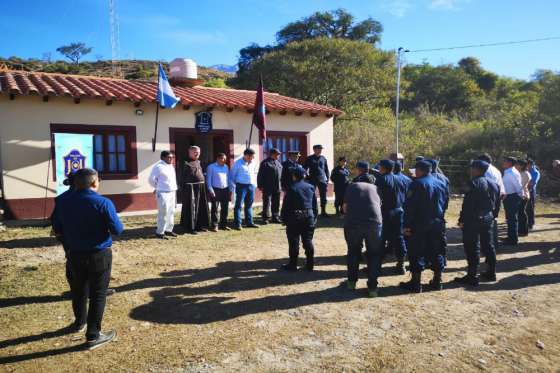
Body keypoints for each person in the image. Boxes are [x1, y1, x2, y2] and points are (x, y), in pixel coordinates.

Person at [52, 168, 123, 350]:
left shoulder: (62, 202)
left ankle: (79, 322)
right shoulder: (103, 202)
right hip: (98, 254)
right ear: (94, 183)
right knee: (98, 293)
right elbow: (117, 229)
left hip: (74, 253)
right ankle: (93, 335)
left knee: (78, 289)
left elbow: (57, 227)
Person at [399, 160, 447, 293]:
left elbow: (410, 207)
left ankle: (416, 283)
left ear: (420, 170)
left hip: (419, 223)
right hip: (437, 222)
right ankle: (437, 281)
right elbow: (445, 203)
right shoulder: (441, 183)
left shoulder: (416, 184)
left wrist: (406, 225)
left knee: (416, 251)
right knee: (437, 250)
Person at [455, 160, 501, 286]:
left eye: (472, 168)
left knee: (472, 247)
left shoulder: (474, 183)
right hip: (488, 217)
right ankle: (491, 273)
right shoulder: (494, 184)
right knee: (488, 246)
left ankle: (472, 275)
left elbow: (468, 205)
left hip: (473, 219)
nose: (471, 170)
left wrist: (462, 220)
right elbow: (497, 202)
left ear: (477, 169)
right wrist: (494, 215)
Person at [343, 167, 384, 297]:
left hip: (354, 223)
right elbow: (379, 205)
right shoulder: (376, 189)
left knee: (353, 252)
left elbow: (345, 208)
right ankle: (373, 288)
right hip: (374, 223)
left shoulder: (351, 186)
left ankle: (351, 283)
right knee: (374, 254)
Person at [375, 159, 411, 274]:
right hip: (399, 211)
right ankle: (401, 264)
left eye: (380, 166)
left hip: (385, 212)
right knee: (399, 238)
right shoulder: (402, 179)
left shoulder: (381, 179)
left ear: (384, 168)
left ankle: (377, 265)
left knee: (381, 238)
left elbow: (377, 197)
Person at [280, 166, 317, 271]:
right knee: (308, 241)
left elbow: (286, 206)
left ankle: (293, 264)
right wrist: (314, 217)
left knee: (294, 242)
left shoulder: (291, 188)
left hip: (295, 217)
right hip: (308, 215)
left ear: (294, 176)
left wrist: (284, 219)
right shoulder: (311, 187)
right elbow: (314, 205)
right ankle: (310, 264)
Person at [477, 153, 505, 250]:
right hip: (496, 197)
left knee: (486, 222)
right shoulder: (495, 170)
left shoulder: (486, 171)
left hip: (489, 198)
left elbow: (485, 187)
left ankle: (489, 245)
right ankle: (493, 243)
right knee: (492, 220)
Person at [180, 146, 210, 235]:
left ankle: (199, 226)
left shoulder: (199, 162)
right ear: (190, 152)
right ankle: (191, 227)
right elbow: (181, 177)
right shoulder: (185, 163)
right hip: (191, 189)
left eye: (198, 152)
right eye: (195, 152)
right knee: (192, 208)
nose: (197, 153)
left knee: (201, 207)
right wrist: (184, 189)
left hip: (201, 187)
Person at [148, 151, 178, 239]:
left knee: (171, 212)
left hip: (172, 191)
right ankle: (160, 232)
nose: (171, 159)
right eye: (169, 157)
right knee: (163, 212)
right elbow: (151, 179)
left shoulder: (171, 166)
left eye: (172, 157)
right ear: (163, 158)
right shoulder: (158, 166)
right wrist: (157, 187)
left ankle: (169, 230)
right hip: (163, 192)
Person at [230, 148, 259, 230]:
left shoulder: (253, 163)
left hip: (251, 186)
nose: (252, 158)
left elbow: (255, 174)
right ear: (246, 155)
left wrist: (254, 185)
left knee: (249, 205)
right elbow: (232, 175)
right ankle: (238, 224)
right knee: (238, 205)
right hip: (241, 186)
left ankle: (249, 222)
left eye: (253, 156)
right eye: (251, 156)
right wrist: (234, 186)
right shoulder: (238, 163)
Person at [206, 153, 231, 232]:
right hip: (215, 189)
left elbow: (228, 178)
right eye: (222, 158)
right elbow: (208, 179)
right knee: (215, 208)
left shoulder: (226, 167)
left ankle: (223, 225)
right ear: (218, 159)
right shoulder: (211, 167)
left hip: (225, 189)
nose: (224, 160)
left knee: (225, 208)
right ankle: (214, 225)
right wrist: (211, 190)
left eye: (225, 159)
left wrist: (230, 189)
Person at [257, 148, 283, 224]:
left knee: (276, 202)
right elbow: (260, 175)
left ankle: (275, 217)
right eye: (277, 154)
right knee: (267, 202)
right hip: (267, 186)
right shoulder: (265, 163)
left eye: (278, 155)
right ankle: (265, 218)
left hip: (277, 186)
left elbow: (281, 174)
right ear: (272, 154)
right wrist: (260, 185)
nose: (278, 156)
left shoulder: (278, 163)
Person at [502, 156, 523, 245]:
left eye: (505, 161)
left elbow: (518, 186)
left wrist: (518, 196)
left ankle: (513, 239)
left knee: (512, 219)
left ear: (510, 163)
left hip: (512, 197)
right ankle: (511, 237)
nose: (503, 163)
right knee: (510, 218)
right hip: (509, 197)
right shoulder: (508, 172)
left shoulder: (512, 173)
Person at [304, 144, 330, 217]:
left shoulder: (323, 158)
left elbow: (326, 170)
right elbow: (304, 169)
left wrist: (327, 179)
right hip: (312, 179)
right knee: (312, 196)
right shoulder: (309, 158)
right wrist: (307, 177)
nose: (320, 150)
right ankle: (313, 211)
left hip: (322, 180)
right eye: (319, 149)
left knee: (323, 196)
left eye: (321, 149)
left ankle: (323, 211)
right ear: (314, 150)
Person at [515, 159, 532, 237]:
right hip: (525, 194)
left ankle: (523, 231)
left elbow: (520, 185)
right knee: (522, 213)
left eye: (517, 164)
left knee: (521, 213)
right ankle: (523, 230)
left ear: (522, 165)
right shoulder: (526, 173)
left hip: (522, 195)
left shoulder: (523, 174)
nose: (516, 165)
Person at [526, 159, 540, 230]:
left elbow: (532, 183)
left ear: (531, 164)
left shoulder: (535, 172)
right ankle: (526, 222)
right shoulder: (526, 171)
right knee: (525, 208)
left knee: (530, 208)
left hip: (531, 191)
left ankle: (531, 223)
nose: (526, 166)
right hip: (526, 190)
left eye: (527, 164)